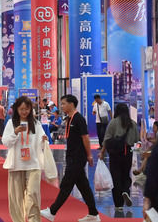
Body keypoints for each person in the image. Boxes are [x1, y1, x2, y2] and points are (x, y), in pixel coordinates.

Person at [41, 94, 100, 222]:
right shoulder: (69, 119)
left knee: (66, 184)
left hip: (77, 157)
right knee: (83, 186)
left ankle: (52, 211)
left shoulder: (79, 119)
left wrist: (89, 155)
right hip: (71, 156)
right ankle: (93, 214)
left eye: (63, 103)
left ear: (71, 104)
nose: (61, 106)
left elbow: (85, 137)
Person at [2, 96, 47, 222]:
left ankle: (34, 220)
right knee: (16, 198)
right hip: (16, 164)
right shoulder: (11, 123)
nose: (24, 112)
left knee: (33, 194)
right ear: (16, 109)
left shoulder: (36, 124)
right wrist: (15, 132)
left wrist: (44, 140)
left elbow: (42, 140)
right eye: (21, 109)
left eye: (27, 109)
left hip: (33, 164)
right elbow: (5, 142)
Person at [98, 103, 139, 215]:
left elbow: (106, 139)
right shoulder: (132, 123)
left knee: (116, 177)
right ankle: (125, 191)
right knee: (125, 174)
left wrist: (102, 152)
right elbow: (136, 139)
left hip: (115, 154)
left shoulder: (113, 122)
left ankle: (118, 205)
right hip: (128, 152)